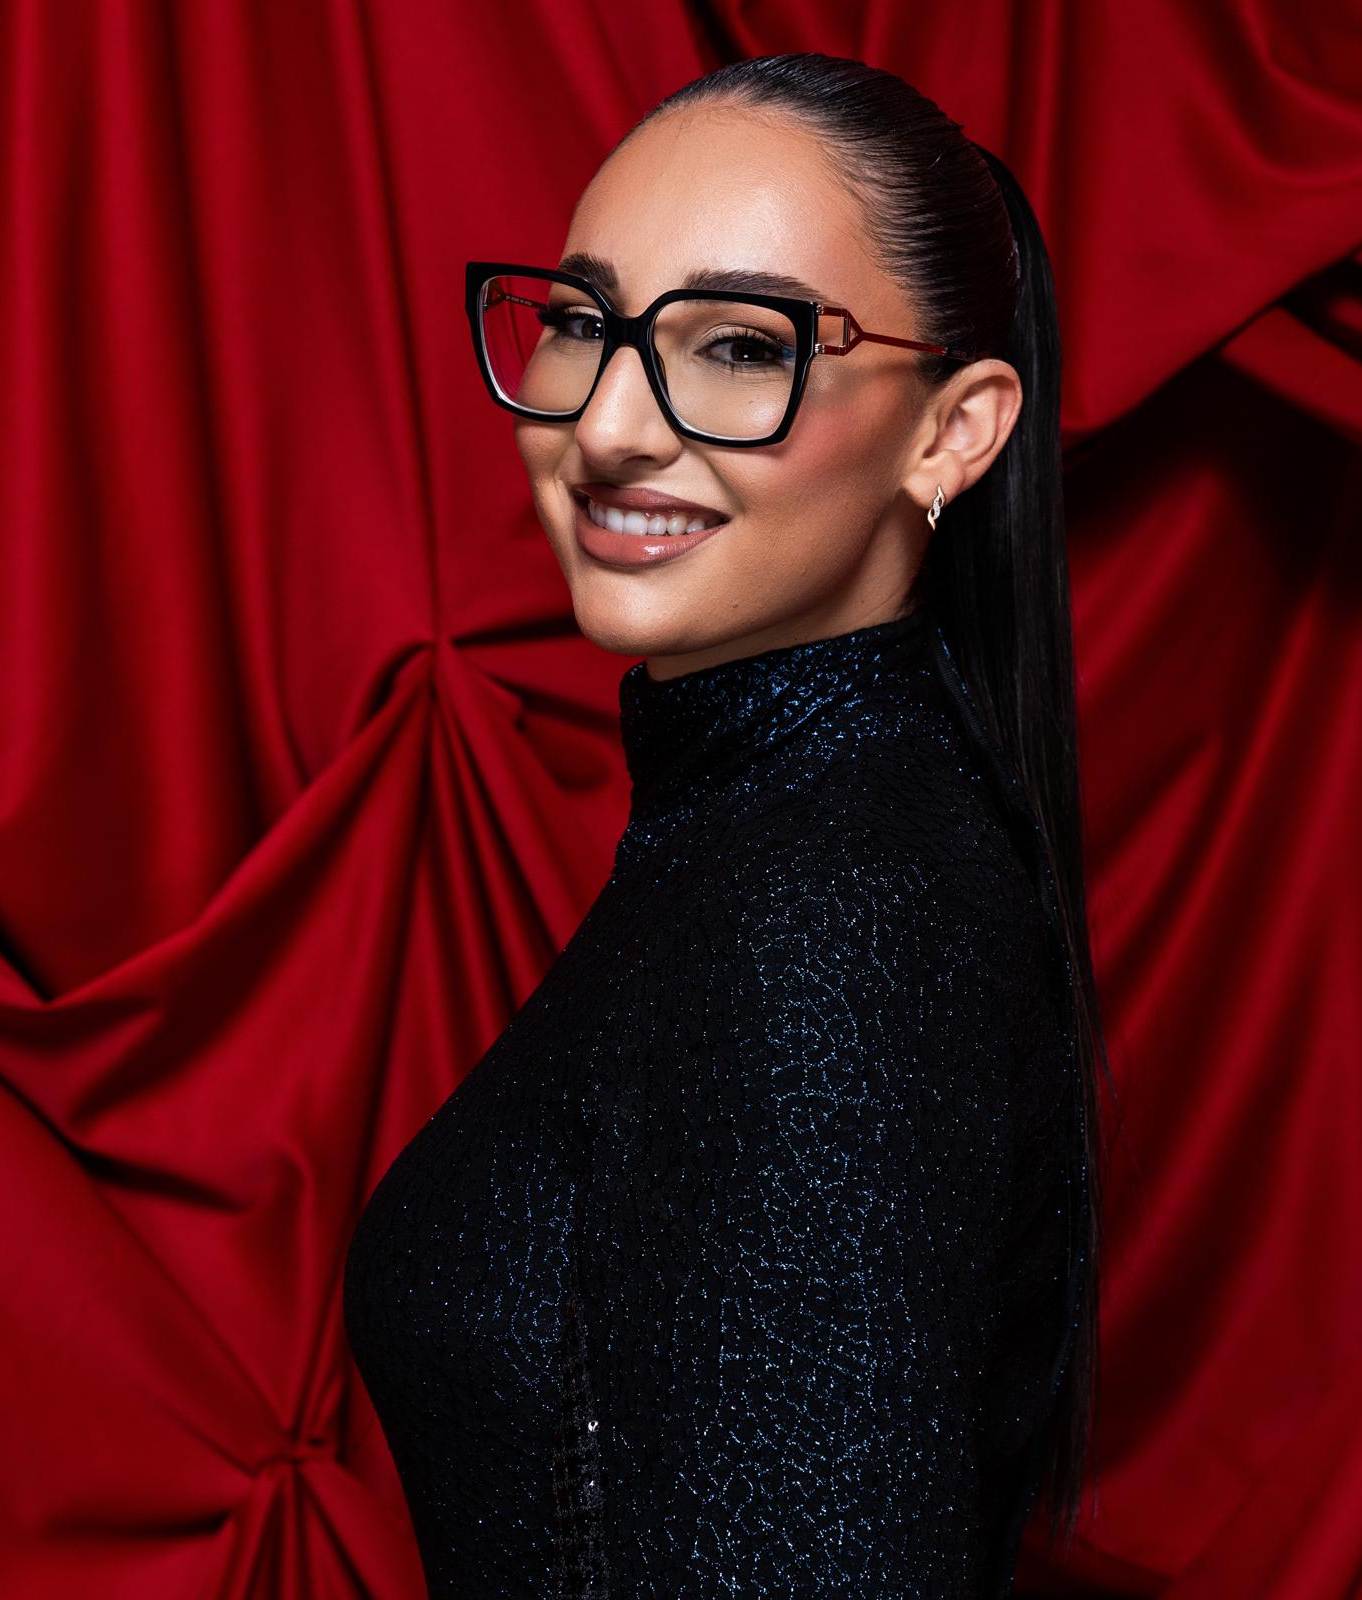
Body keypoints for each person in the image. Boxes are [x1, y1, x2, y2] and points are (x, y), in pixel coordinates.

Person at [342, 51, 1116, 1597]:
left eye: (738, 345)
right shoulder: (772, 840)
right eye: (580, 324)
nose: (612, 426)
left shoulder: (835, 918)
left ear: (951, 434)